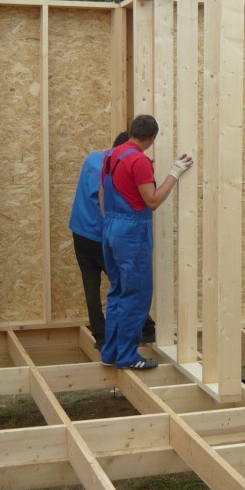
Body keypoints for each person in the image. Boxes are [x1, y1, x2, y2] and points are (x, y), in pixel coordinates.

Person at [99, 114, 192, 370]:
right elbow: (152, 201)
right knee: (136, 295)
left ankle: (111, 353)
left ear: (132, 132)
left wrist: (112, 226)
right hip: (131, 232)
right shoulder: (139, 160)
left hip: (111, 228)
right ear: (152, 137)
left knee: (118, 292)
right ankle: (128, 357)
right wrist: (174, 173)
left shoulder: (112, 155)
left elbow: (103, 194)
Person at [69, 131, 157, 350]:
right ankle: (146, 328)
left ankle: (101, 337)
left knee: (91, 286)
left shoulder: (93, 159)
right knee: (126, 283)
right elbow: (110, 201)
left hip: (79, 231)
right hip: (98, 235)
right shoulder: (113, 169)